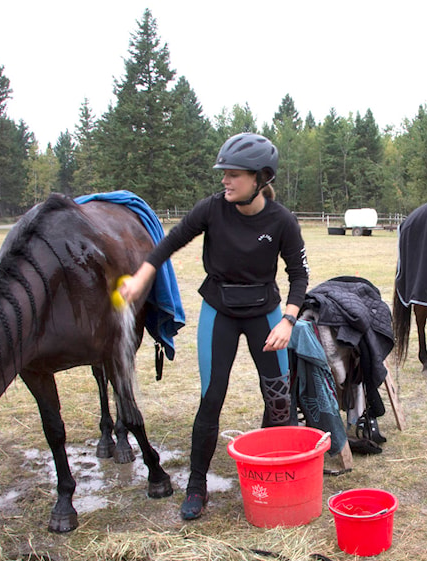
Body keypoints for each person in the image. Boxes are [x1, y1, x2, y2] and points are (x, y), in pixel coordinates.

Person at [119, 133, 310, 520]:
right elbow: (168, 243)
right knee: (212, 398)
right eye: (224, 173)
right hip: (219, 310)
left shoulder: (282, 221)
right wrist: (141, 278)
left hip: (267, 313)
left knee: (278, 399)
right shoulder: (211, 209)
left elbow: (299, 276)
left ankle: (274, 474)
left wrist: (289, 320)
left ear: (260, 178)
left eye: (234, 175)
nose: (225, 181)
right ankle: (196, 485)